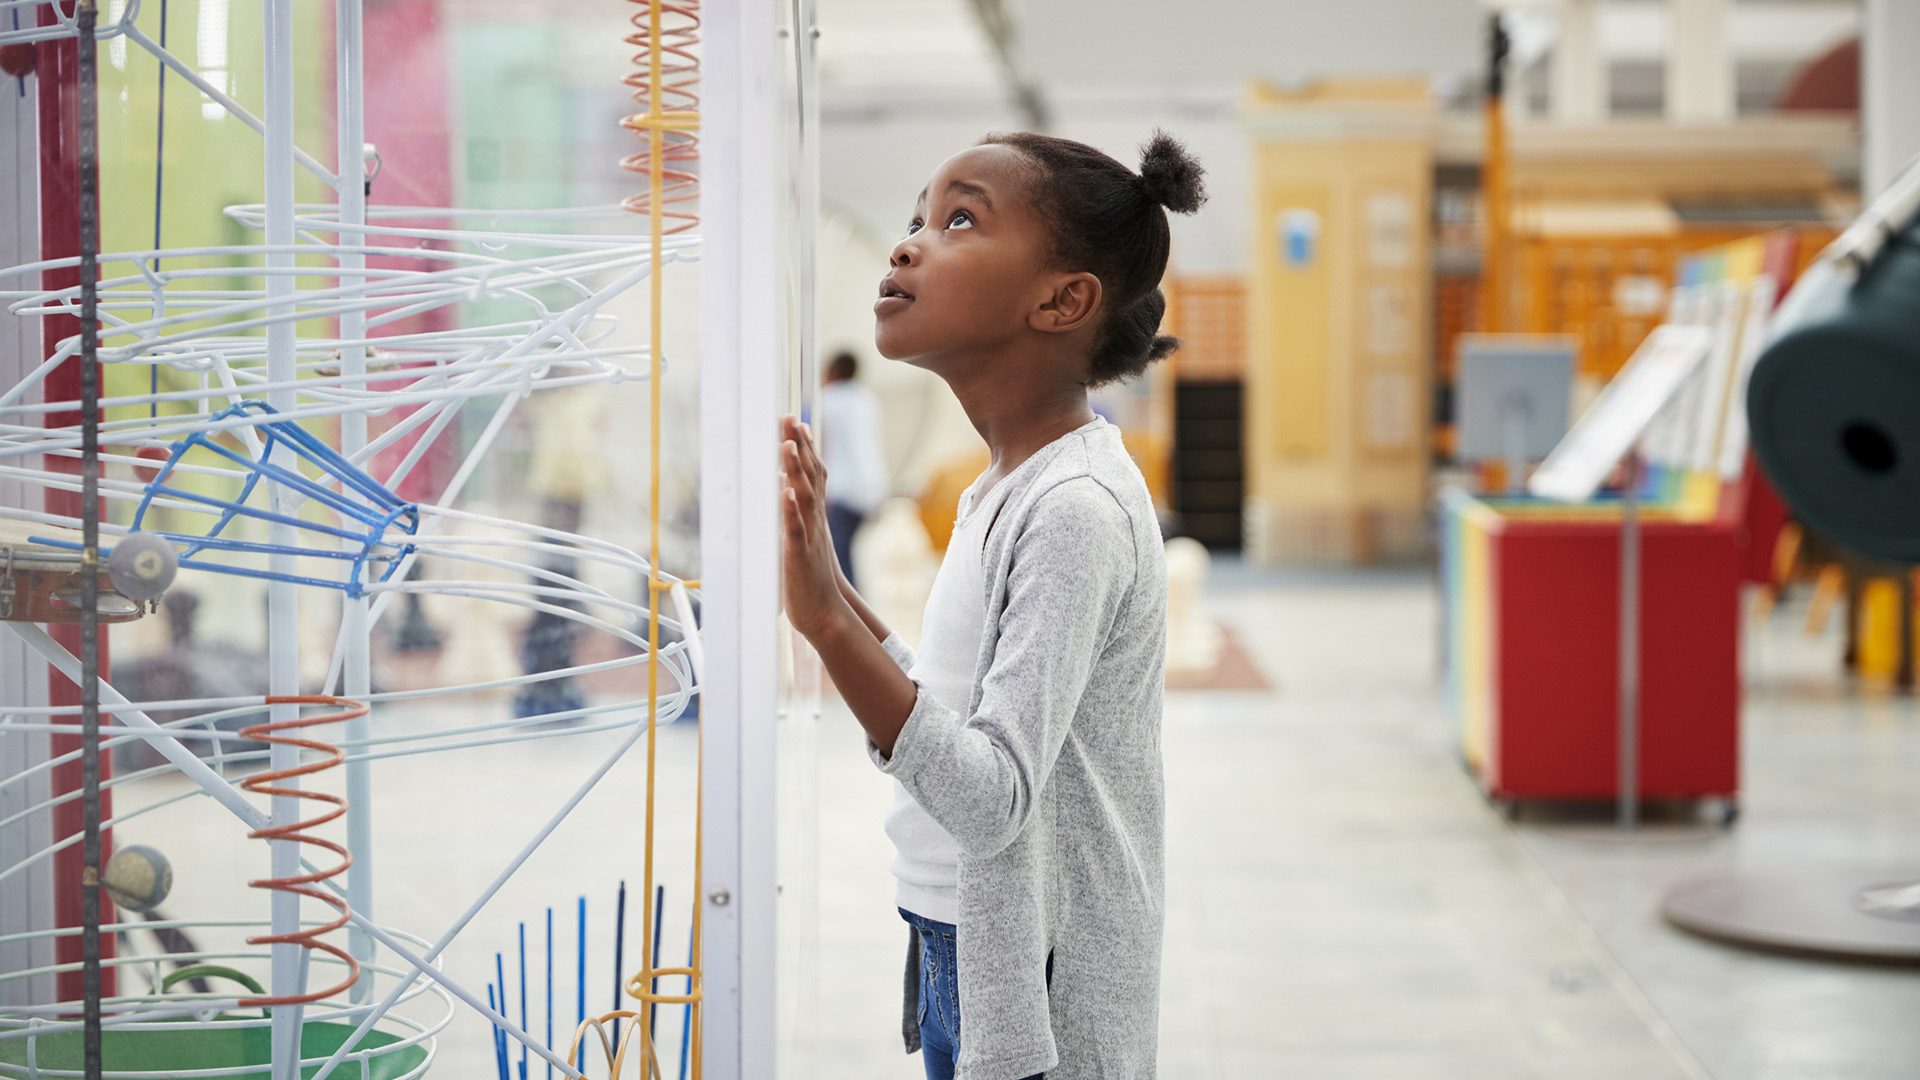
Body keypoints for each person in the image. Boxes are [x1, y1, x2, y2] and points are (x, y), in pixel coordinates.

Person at [778, 130, 1205, 1080]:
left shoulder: (1074, 512)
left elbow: (992, 797)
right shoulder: (1007, 484)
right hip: (962, 950)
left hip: (1040, 1001)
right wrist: (825, 583)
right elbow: (953, 703)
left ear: (1062, 300)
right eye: (916, 218)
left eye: (959, 218)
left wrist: (824, 623)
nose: (909, 244)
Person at [817, 350, 888, 586]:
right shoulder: (868, 400)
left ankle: (851, 608)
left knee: (839, 555)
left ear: (833, 371)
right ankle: (856, 603)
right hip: (872, 486)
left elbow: (821, 446)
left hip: (843, 489)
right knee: (848, 552)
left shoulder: (828, 400)